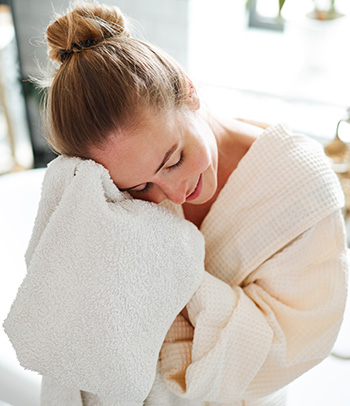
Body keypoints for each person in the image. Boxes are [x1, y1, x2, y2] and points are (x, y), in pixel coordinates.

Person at [36, 1, 349, 405]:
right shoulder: (96, 187)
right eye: (139, 189)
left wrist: (177, 270)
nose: (171, 193)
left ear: (189, 90)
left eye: (174, 161)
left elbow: (286, 348)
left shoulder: (300, 187)